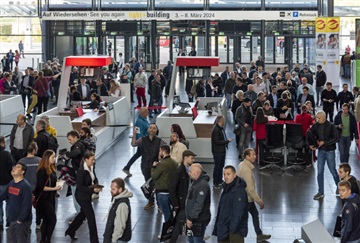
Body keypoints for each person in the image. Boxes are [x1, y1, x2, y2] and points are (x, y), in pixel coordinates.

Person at [65, 152, 101, 242]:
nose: (94, 161)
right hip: (81, 197)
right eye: (92, 159)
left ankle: (70, 230)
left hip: (86, 196)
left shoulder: (92, 167)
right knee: (91, 219)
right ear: (86, 159)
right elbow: (80, 187)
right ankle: (94, 241)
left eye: (94, 159)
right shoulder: (81, 171)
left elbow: (94, 178)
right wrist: (93, 190)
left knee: (82, 214)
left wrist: (96, 185)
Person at [238, 148, 272, 242]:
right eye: (252, 155)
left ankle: (259, 234)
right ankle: (239, 236)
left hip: (245, 197)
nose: (255, 156)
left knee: (255, 214)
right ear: (246, 156)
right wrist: (260, 202)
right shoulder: (247, 170)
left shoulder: (241, 164)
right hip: (247, 199)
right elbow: (251, 189)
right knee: (244, 219)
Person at [131, 124, 166, 209]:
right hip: (145, 165)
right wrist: (134, 134)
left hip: (156, 166)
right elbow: (133, 144)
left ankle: (159, 203)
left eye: (154, 128)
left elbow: (166, 148)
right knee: (148, 184)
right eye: (150, 128)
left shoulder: (159, 141)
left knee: (157, 185)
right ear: (148, 130)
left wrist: (160, 157)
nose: (152, 129)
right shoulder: (142, 140)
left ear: (156, 130)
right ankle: (151, 201)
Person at [307, 111, 340, 200]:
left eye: (318, 118)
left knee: (333, 170)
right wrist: (310, 144)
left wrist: (324, 142)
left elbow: (336, 138)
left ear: (324, 118)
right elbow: (309, 132)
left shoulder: (331, 125)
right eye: (316, 117)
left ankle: (340, 188)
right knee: (320, 172)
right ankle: (321, 192)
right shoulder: (316, 125)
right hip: (321, 151)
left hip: (330, 151)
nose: (316, 119)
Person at [213, 165, 248, 243]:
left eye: (228, 174)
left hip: (233, 231)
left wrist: (232, 229)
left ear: (234, 175)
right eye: (224, 174)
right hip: (224, 228)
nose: (225, 177)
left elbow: (239, 212)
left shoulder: (239, 191)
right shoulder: (227, 187)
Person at [34, 150, 61, 243]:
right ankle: (47, 240)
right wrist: (54, 189)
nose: (54, 159)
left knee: (46, 220)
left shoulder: (52, 169)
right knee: (52, 220)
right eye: (53, 157)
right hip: (43, 199)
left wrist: (56, 188)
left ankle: (44, 240)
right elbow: (41, 187)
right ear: (47, 158)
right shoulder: (42, 170)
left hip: (50, 198)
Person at [0, 163, 32, 242]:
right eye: (14, 166)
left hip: (21, 220)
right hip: (12, 219)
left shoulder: (25, 186)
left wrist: (20, 220)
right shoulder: (11, 183)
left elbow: (27, 205)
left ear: (22, 172)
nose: (14, 168)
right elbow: (3, 196)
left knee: (21, 240)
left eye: (17, 167)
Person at [169, 150, 196, 243]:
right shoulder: (179, 171)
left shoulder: (189, 170)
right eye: (191, 158)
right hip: (181, 204)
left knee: (185, 222)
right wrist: (176, 204)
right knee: (179, 224)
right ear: (185, 158)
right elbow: (172, 188)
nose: (193, 160)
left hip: (187, 202)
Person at [151, 145, 177, 223]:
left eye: (159, 151)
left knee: (166, 213)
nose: (159, 153)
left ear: (163, 151)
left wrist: (153, 167)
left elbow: (154, 176)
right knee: (170, 212)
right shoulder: (174, 163)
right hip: (171, 191)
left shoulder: (162, 164)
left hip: (162, 193)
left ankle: (167, 232)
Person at [186, 163, 211, 243]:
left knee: (197, 240)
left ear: (197, 173)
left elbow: (199, 204)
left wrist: (190, 218)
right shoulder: (196, 182)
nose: (189, 173)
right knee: (191, 239)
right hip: (193, 218)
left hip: (199, 219)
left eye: (190, 171)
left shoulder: (202, 185)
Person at [103, 177, 133, 243]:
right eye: (111, 188)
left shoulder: (122, 204)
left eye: (113, 189)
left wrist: (114, 240)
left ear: (120, 189)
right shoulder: (117, 199)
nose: (111, 190)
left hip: (119, 239)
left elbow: (120, 225)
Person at [122, 107, 150, 177]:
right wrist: (144, 142)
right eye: (147, 112)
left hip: (144, 142)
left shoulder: (144, 120)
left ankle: (127, 167)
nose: (148, 113)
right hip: (143, 143)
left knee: (137, 154)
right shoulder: (139, 122)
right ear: (143, 113)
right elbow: (139, 134)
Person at [211, 115, 232, 189]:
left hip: (221, 151)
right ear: (221, 121)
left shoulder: (220, 128)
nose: (224, 121)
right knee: (217, 167)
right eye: (223, 120)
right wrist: (227, 141)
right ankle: (215, 182)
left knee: (221, 166)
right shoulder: (216, 130)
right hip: (218, 151)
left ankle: (219, 180)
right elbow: (217, 141)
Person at [0, 136, 15, 230]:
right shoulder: (7, 154)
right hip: (6, 182)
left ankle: (0, 223)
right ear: (2, 143)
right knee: (9, 202)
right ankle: (9, 222)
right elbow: (12, 168)